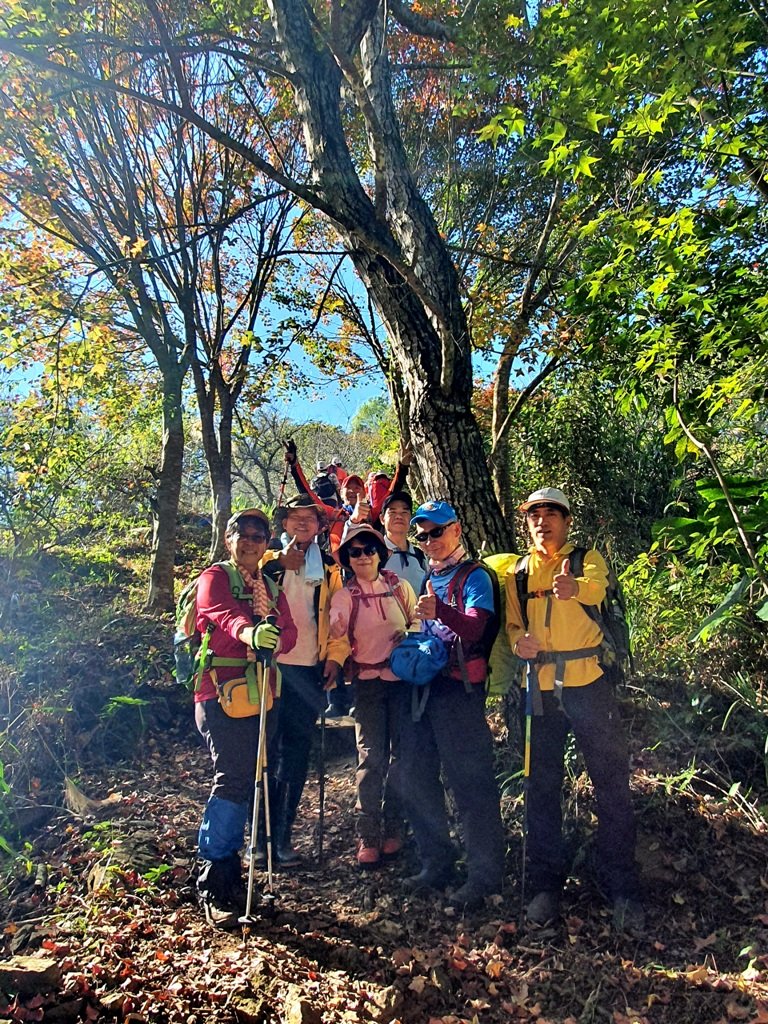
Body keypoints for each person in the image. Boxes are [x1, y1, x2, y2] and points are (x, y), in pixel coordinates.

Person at [505, 487, 643, 933]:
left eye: (551, 514)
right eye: (534, 515)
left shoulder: (587, 559)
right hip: (539, 689)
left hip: (589, 685)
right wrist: (517, 642)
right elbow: (512, 624)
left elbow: (600, 590)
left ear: (566, 520)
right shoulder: (520, 572)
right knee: (541, 787)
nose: (541, 521)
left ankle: (622, 887)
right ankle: (545, 886)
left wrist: (575, 587)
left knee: (612, 784)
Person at [399, 500, 506, 912]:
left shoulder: (474, 576)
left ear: (457, 530)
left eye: (436, 532)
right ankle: (436, 863)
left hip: (461, 693)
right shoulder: (431, 575)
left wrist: (440, 609)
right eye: (422, 536)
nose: (429, 542)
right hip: (427, 688)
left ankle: (484, 875)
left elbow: (477, 626)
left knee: (470, 783)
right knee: (415, 776)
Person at [194, 508, 297, 928]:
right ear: (228, 538)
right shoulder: (215, 577)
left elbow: (288, 631)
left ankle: (235, 877)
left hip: (261, 696)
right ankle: (213, 880)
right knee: (233, 779)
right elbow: (219, 613)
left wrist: (273, 635)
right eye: (243, 533)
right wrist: (249, 632)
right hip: (220, 694)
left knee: (252, 779)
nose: (251, 540)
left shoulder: (270, 586)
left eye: (259, 534)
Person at [325, 523, 418, 867]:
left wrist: (408, 636)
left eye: (369, 549)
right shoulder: (345, 595)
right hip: (366, 683)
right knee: (371, 755)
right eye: (355, 551)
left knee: (400, 755)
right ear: (347, 558)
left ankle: (394, 826)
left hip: (401, 679)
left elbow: (417, 624)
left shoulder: (399, 587)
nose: (363, 556)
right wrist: (334, 655)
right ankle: (368, 832)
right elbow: (337, 633)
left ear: (380, 553)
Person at [261, 493, 343, 865]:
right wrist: (279, 563)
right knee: (264, 753)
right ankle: (258, 838)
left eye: (310, 519)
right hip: (268, 667)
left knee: (294, 755)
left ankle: (282, 838)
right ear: (283, 523)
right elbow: (252, 588)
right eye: (295, 517)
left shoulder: (328, 568)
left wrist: (336, 659)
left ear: (319, 527)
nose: (302, 523)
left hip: (308, 667)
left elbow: (339, 619)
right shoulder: (264, 559)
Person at [380, 491, 427, 595]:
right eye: (392, 512)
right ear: (382, 519)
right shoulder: (373, 553)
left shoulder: (420, 555)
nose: (399, 516)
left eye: (404, 512)